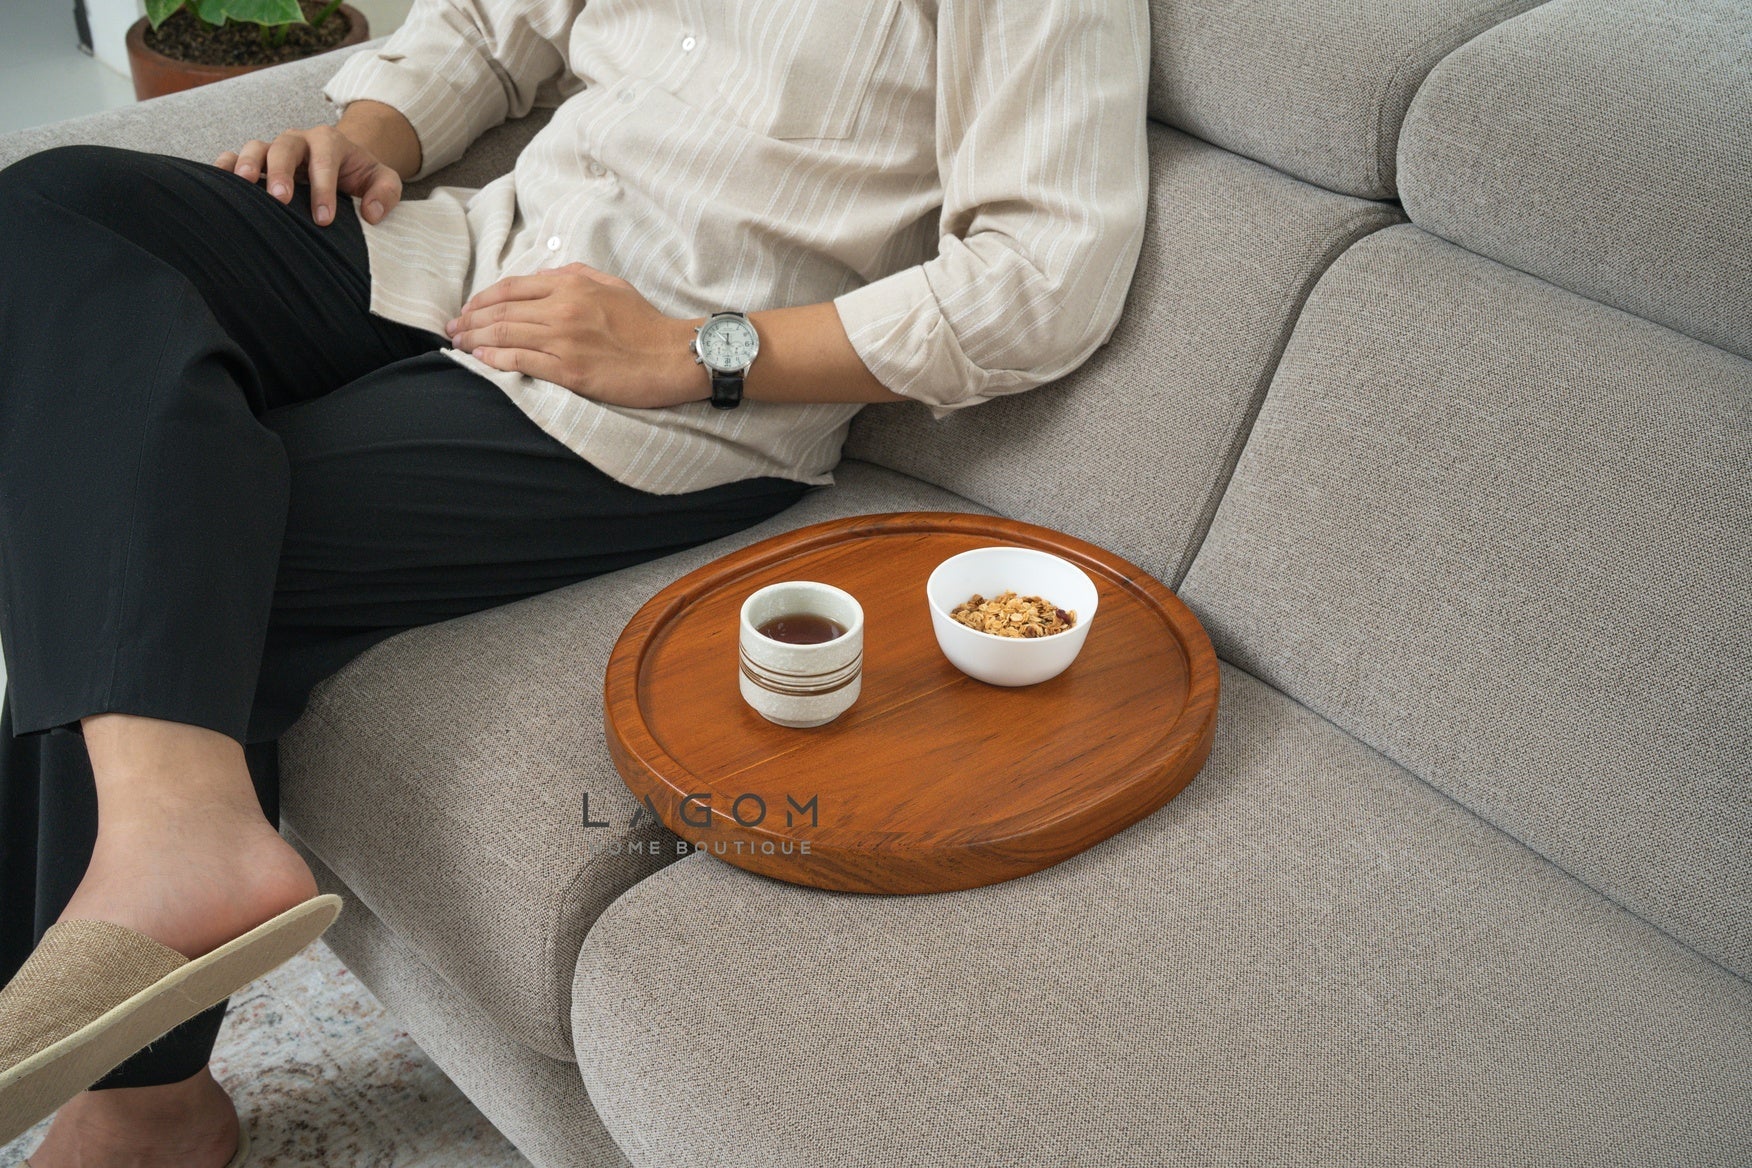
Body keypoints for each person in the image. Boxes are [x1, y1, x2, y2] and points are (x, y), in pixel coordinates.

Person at [0, 0, 1148, 1162]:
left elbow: (1043, 279)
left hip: (648, 410)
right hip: (471, 256)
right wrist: (375, 133)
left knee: (150, 521)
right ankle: (169, 831)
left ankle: (144, 1103)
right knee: (49, 211)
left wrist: (698, 350)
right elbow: (490, 25)